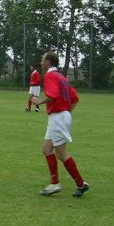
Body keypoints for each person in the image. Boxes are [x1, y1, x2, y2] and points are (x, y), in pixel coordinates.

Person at [32, 51, 90, 198]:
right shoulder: (62, 78)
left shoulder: (50, 76)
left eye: (42, 59)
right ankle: (56, 182)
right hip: (60, 116)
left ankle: (79, 184)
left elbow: (52, 95)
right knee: (46, 149)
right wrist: (67, 113)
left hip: (58, 117)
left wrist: (39, 102)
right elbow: (75, 99)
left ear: (48, 62)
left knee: (61, 153)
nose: (41, 62)